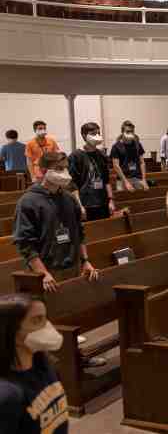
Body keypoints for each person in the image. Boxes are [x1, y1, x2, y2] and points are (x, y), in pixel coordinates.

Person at [12, 152, 99, 292]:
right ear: (43, 171)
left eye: (66, 168)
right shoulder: (28, 201)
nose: (64, 173)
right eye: (59, 169)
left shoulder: (69, 198)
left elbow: (79, 232)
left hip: (72, 267)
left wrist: (85, 261)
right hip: (45, 273)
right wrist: (43, 273)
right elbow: (25, 243)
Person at [0, 293, 69, 434]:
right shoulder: (8, 394)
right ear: (11, 330)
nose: (46, 326)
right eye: (37, 320)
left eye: (45, 318)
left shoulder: (45, 364)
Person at [68, 123, 115, 222]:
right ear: (84, 135)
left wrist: (111, 200)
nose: (97, 136)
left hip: (102, 202)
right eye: (93, 134)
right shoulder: (75, 156)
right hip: (86, 203)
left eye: (98, 133)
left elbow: (106, 180)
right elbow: (73, 184)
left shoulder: (101, 155)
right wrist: (79, 206)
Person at [110, 121, 148, 192]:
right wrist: (126, 182)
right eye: (128, 131)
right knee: (124, 201)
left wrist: (144, 179)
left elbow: (142, 163)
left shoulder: (137, 144)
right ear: (122, 132)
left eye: (132, 131)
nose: (130, 133)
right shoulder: (116, 146)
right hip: (123, 180)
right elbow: (116, 166)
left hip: (137, 178)